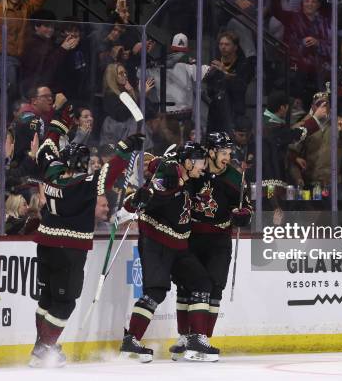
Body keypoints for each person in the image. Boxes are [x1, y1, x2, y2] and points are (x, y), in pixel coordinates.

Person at [29, 93, 144, 368]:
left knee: (46, 299)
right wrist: (126, 147)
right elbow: (109, 173)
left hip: (45, 244)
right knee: (65, 302)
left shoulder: (51, 171)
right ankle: (44, 349)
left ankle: (41, 347)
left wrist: (59, 121)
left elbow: (47, 146)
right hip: (70, 248)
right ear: (81, 165)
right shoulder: (81, 184)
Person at [120, 142, 216, 363]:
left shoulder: (182, 173)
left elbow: (160, 161)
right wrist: (139, 199)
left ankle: (196, 339)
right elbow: (151, 193)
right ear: (189, 161)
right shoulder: (169, 176)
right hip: (157, 241)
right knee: (156, 290)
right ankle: (131, 340)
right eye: (201, 161)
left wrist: (159, 164)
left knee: (201, 282)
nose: (204, 166)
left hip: (179, 244)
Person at [168, 132, 252, 360]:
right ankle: (185, 338)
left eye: (229, 153)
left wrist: (243, 215)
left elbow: (246, 206)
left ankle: (202, 338)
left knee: (215, 288)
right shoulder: (196, 171)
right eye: (223, 153)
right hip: (191, 237)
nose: (227, 157)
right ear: (211, 152)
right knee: (186, 287)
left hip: (219, 241)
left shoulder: (236, 178)